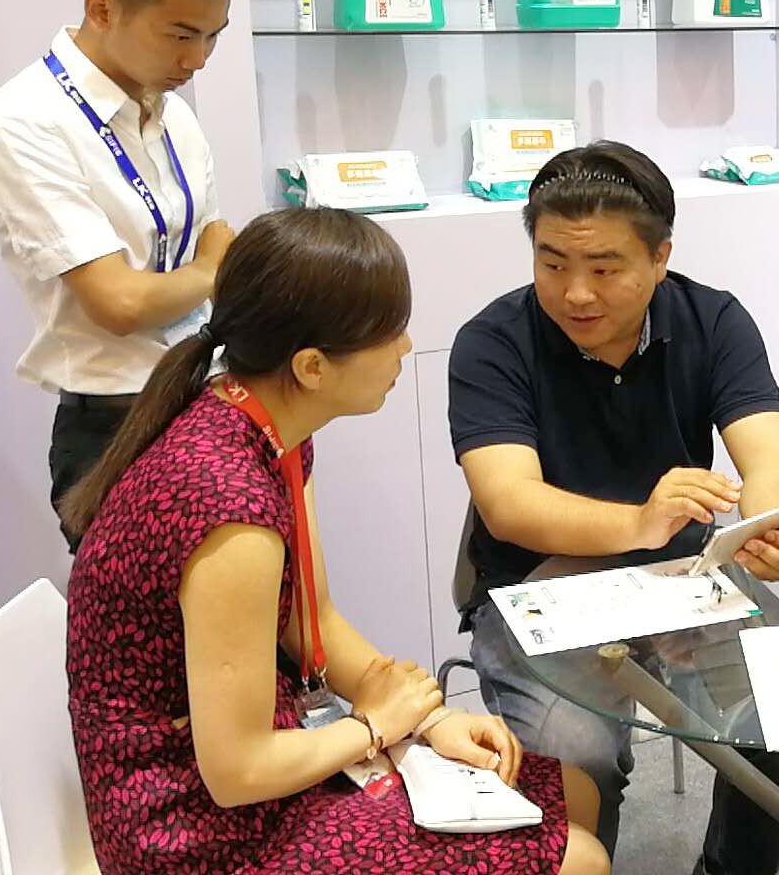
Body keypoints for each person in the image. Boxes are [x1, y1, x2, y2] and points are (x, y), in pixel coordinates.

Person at [62, 208, 608, 874]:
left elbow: (311, 621)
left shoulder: (266, 428)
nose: (405, 347)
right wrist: (375, 726)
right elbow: (236, 771)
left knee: (570, 791)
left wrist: (428, 720)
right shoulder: (230, 507)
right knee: (578, 858)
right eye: (389, 332)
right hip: (194, 831)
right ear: (313, 367)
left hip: (253, 771)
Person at [450, 141, 779, 874]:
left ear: (659, 258)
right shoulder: (493, 342)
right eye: (553, 263)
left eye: (605, 267)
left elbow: (770, 456)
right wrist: (639, 522)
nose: (576, 293)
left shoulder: (713, 321)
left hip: (682, 577)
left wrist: (770, 525)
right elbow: (508, 504)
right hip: (536, 587)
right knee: (576, 755)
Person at [0, 0, 250, 545]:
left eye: (213, 36)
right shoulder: (27, 121)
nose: (197, 60)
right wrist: (210, 271)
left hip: (208, 398)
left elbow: (216, 238)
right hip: (113, 426)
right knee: (147, 615)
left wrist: (208, 268)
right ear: (101, 8)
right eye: (180, 35)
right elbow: (120, 303)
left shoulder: (173, 114)